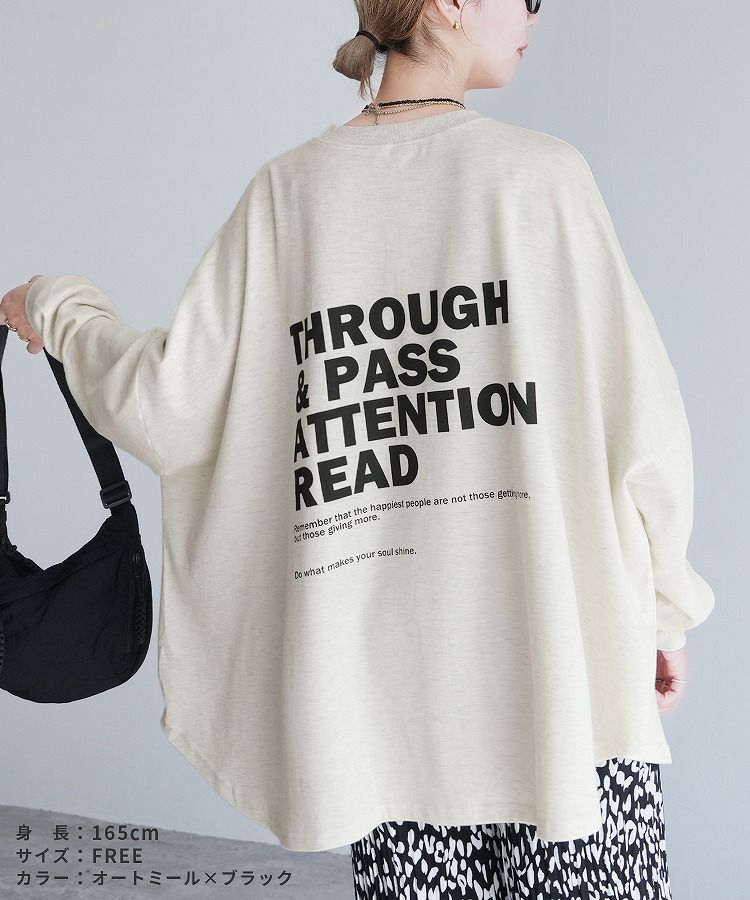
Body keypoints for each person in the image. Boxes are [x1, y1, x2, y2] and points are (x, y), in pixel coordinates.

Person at [2, 1, 713, 898]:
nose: (539, 11)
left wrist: (61, 308)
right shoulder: (543, 181)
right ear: (450, 3)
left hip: (381, 725)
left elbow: (166, 402)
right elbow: (646, 431)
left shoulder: (289, 195)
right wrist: (661, 616)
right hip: (560, 700)